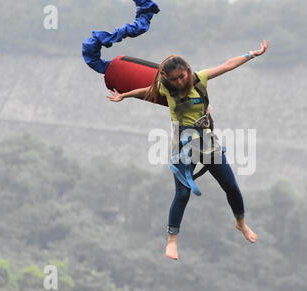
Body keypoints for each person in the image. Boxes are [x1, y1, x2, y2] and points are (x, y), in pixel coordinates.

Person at [107, 40, 270, 260]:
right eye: (174, 79)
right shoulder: (165, 87)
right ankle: (172, 239)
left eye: (182, 76)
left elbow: (227, 65)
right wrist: (123, 96)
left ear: (188, 71)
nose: (179, 82)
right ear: (166, 79)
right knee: (182, 193)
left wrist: (253, 54)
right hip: (182, 143)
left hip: (207, 141)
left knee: (231, 186)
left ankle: (241, 223)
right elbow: (144, 90)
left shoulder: (199, 79)